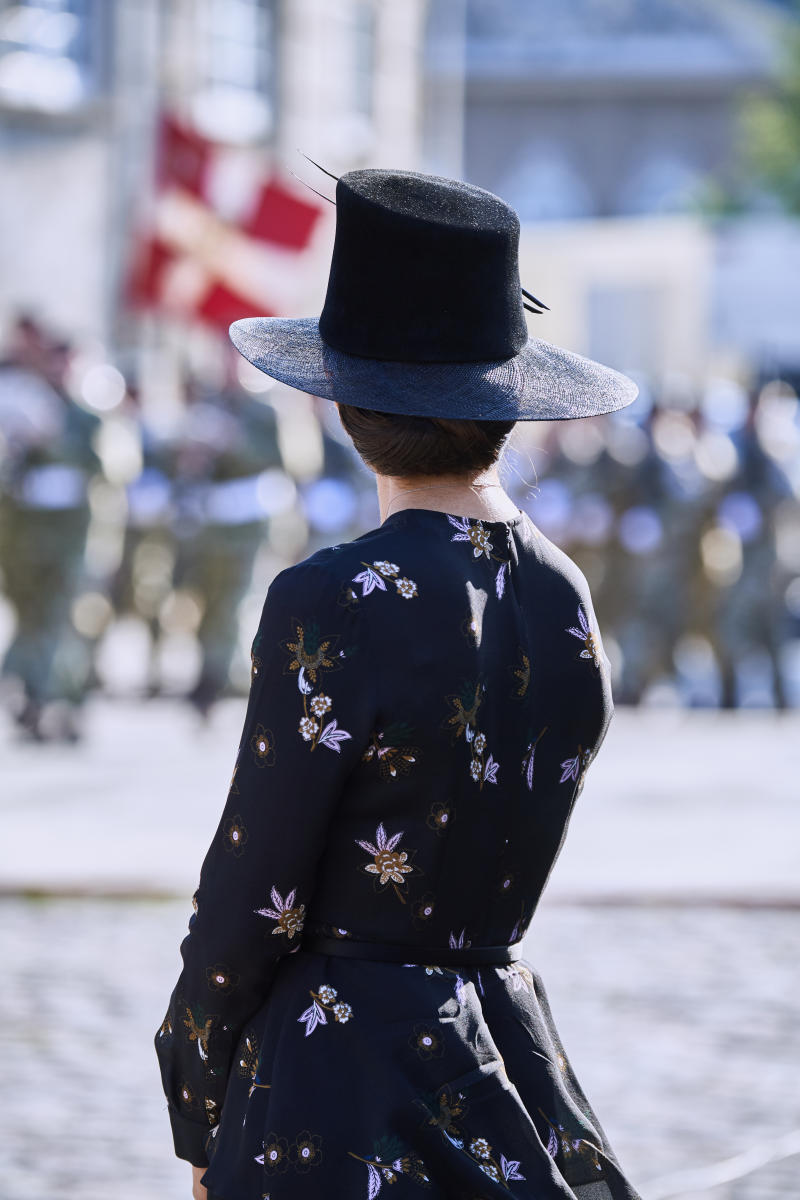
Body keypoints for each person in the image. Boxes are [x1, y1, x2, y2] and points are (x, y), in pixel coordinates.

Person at [154, 167, 643, 1200]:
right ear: (505, 403)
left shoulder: (333, 594)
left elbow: (256, 884)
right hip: (505, 1055)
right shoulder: (566, 593)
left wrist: (197, 1092)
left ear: (343, 406)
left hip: (335, 1081)